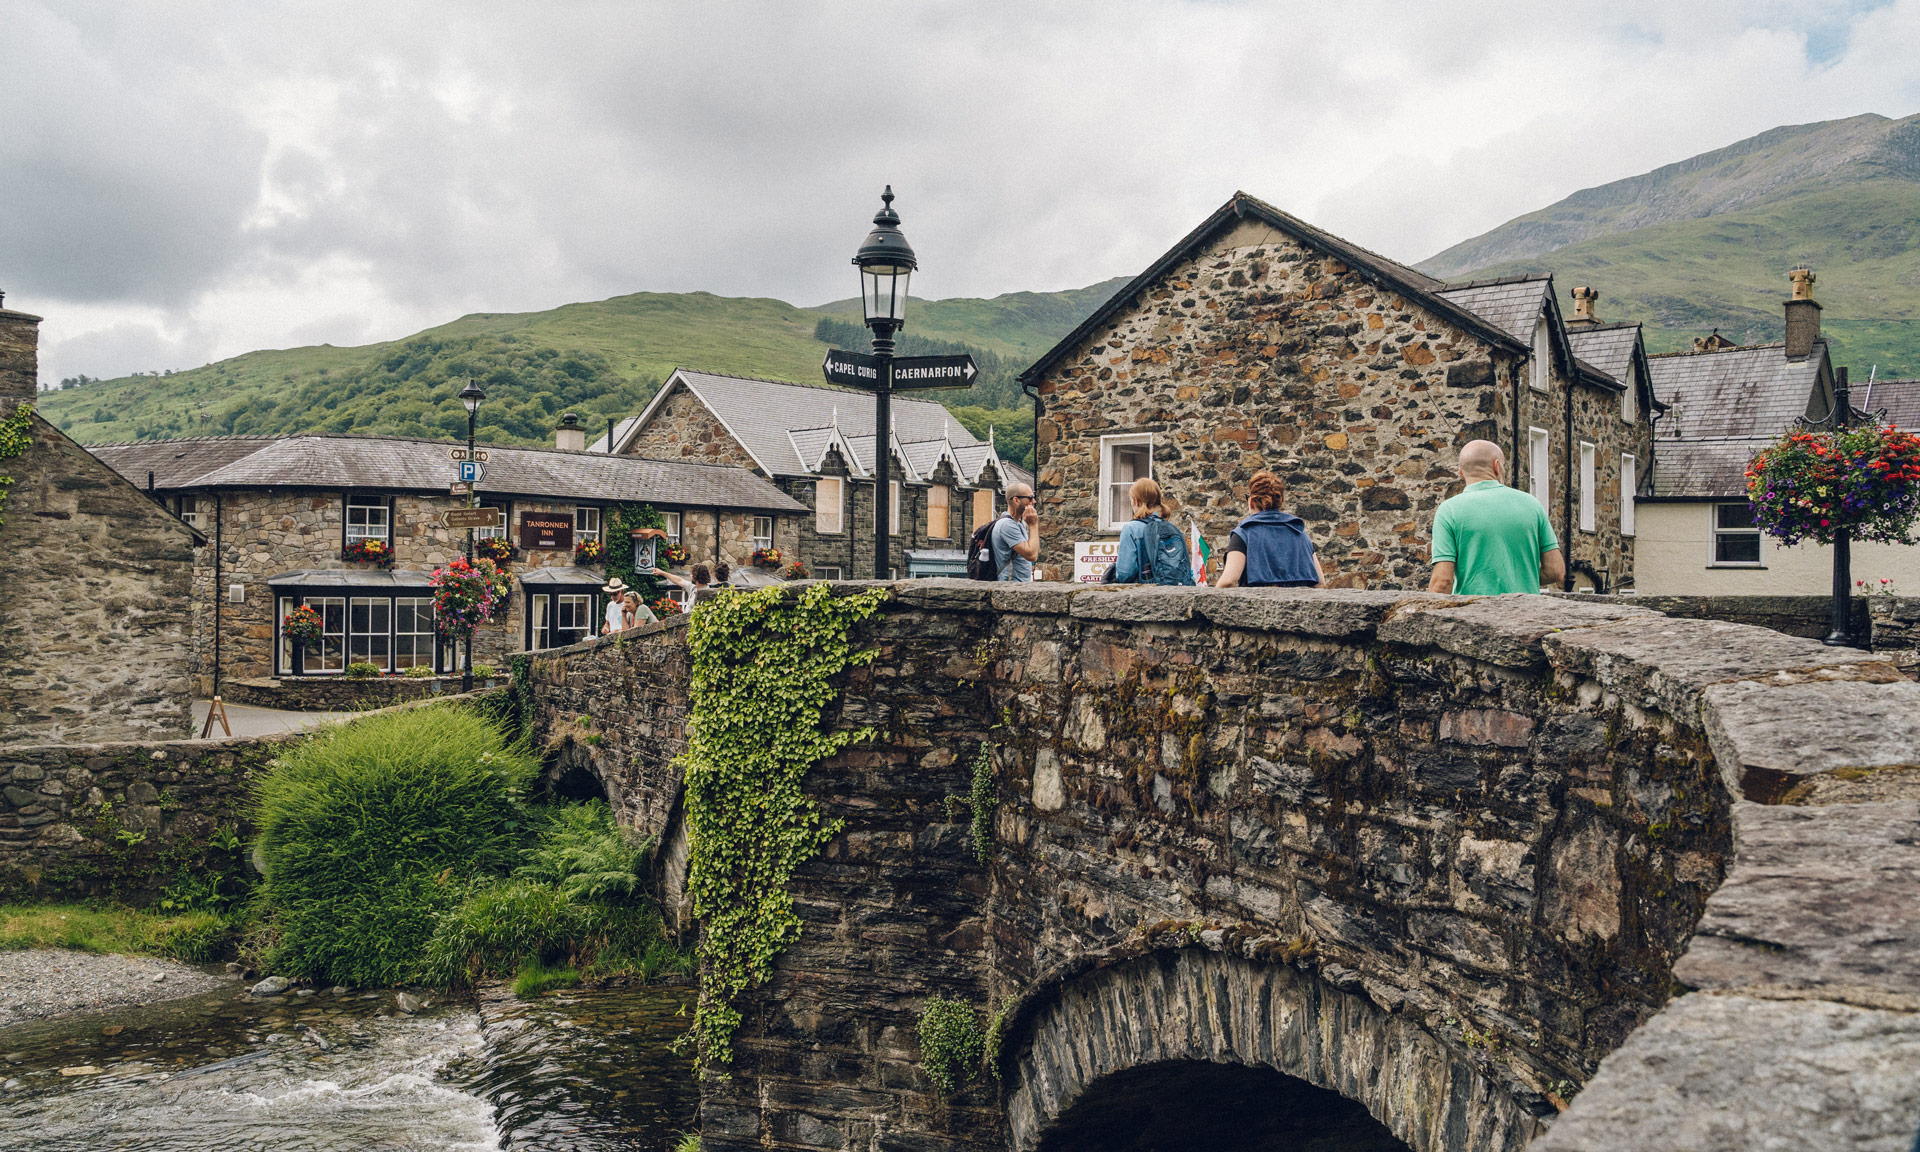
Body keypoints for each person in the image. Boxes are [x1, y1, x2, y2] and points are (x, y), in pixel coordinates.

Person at [1427, 439, 1566, 595]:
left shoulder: (1449, 510)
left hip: (1471, 613)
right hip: (1526, 613)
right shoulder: (1532, 505)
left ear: (1461, 473)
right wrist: (1519, 578)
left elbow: (1442, 582)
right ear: (1497, 466)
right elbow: (1555, 570)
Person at [1214, 472, 1324, 588]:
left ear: (1251, 502)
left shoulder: (1244, 534)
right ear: (1280, 502)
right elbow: (1320, 582)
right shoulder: (1300, 532)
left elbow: (1228, 581)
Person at [1103, 477, 1193, 585]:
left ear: (1136, 501)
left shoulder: (1131, 528)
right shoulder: (1171, 528)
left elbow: (1125, 574)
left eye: (1131, 500)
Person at [991, 481, 1042, 582]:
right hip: (1011, 587)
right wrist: (1033, 524)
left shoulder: (1017, 523)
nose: (1034, 501)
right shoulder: (1007, 525)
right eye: (1030, 498)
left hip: (1019, 586)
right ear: (1016, 500)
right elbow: (1032, 555)